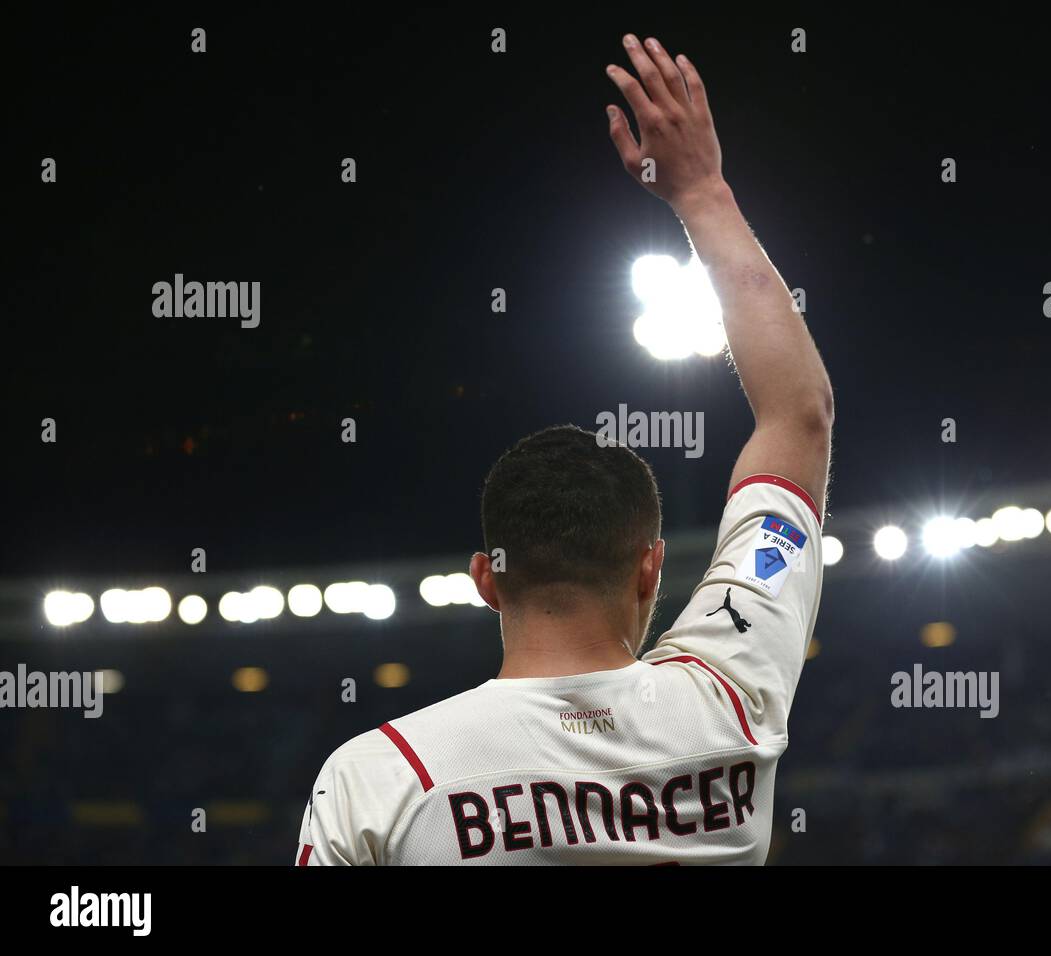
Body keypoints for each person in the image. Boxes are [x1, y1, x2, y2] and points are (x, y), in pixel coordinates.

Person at [295, 34, 833, 865]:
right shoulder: (729, 698)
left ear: (487, 577)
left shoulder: (380, 778)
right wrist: (702, 191)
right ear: (651, 567)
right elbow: (800, 417)